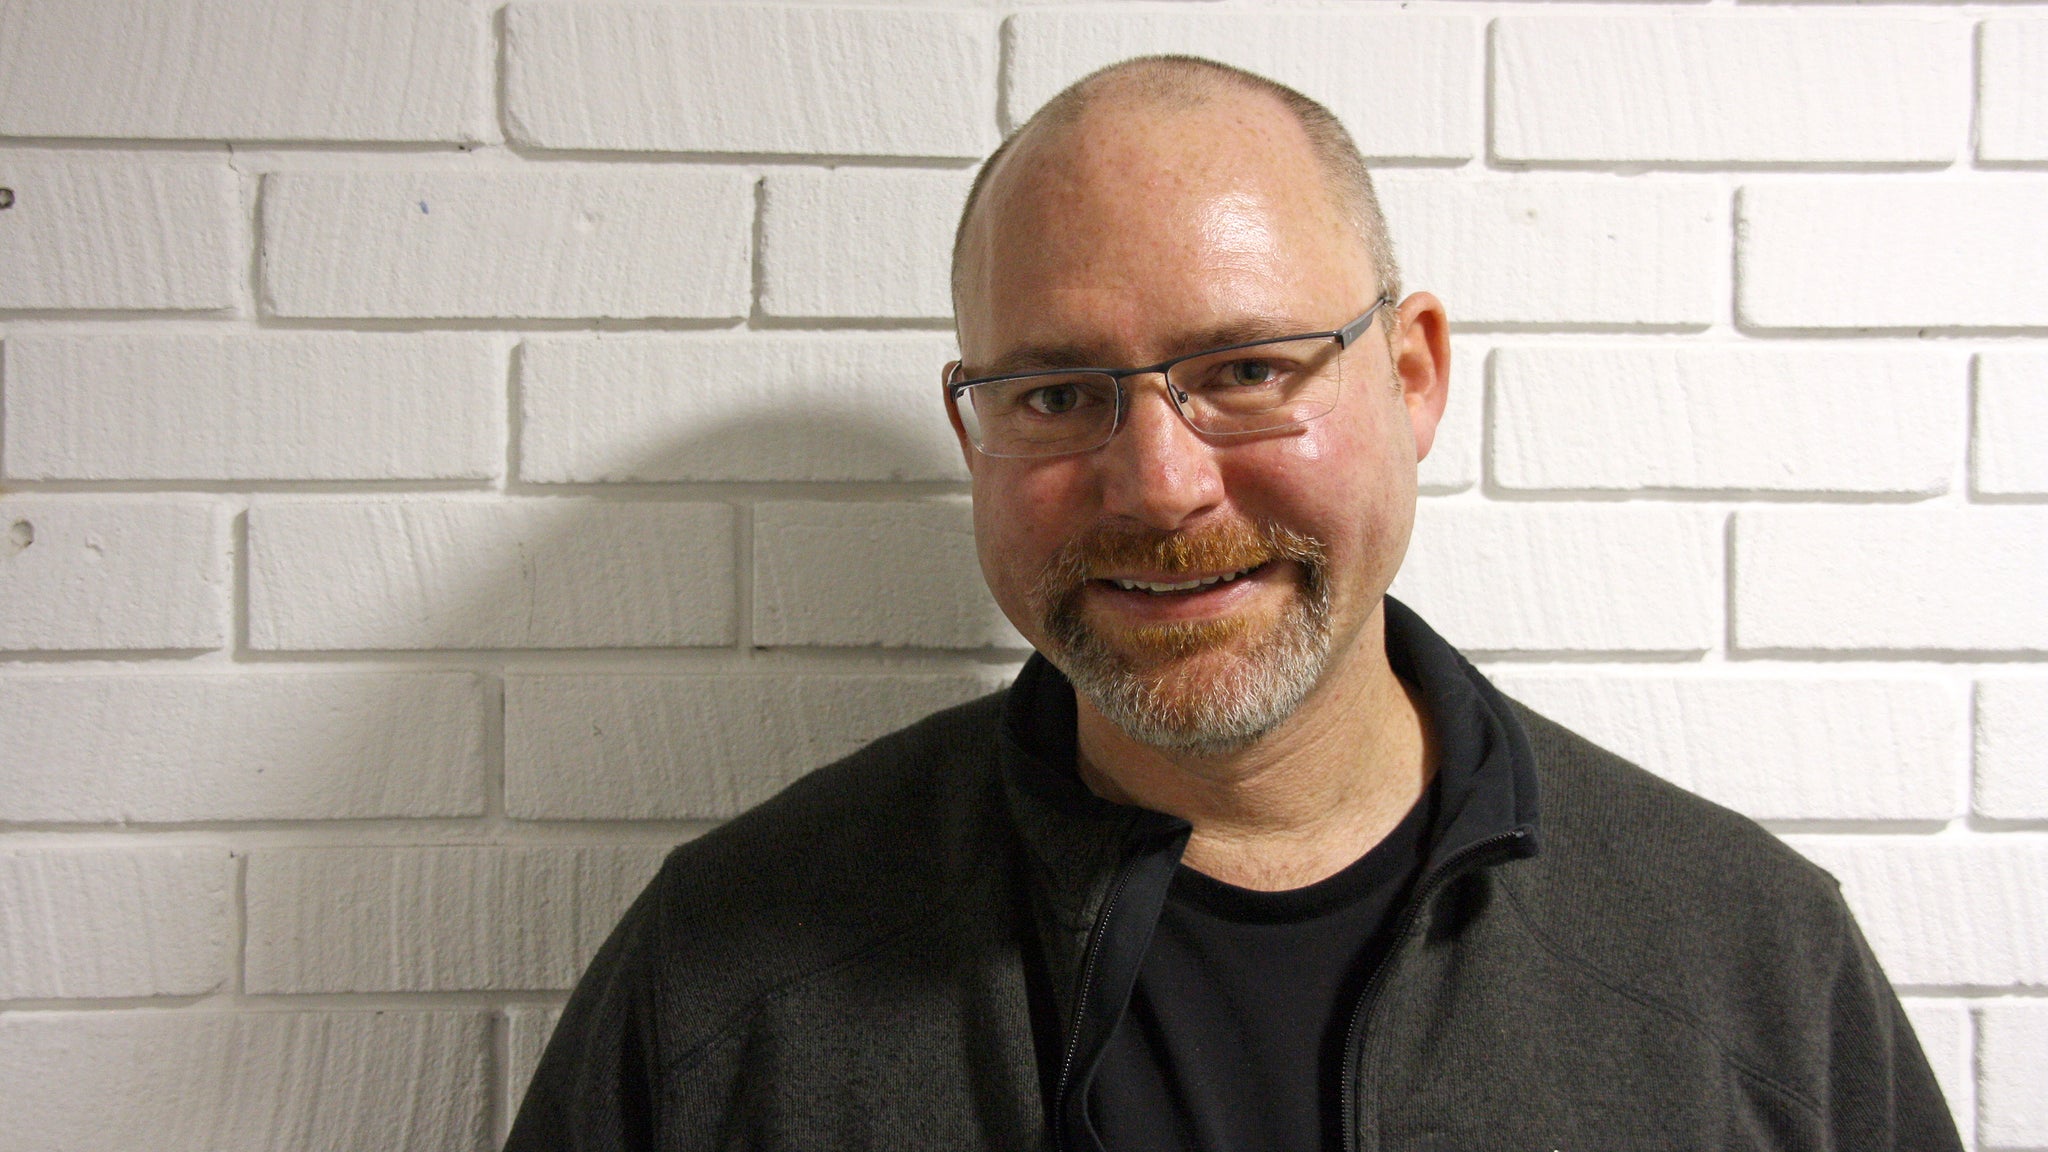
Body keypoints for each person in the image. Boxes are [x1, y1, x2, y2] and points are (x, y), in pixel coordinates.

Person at [507, 56, 1960, 1151]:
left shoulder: (1750, 972)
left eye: (1248, 370)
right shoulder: (728, 982)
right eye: (1060, 393)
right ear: (976, 436)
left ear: (1412, 378)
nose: (1155, 485)